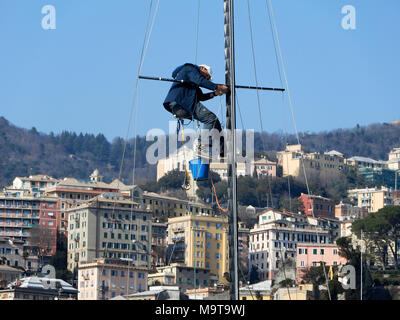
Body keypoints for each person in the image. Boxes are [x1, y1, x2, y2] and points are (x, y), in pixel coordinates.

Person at [163, 63, 229, 158]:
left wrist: (215, 93)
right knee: (210, 119)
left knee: (214, 121)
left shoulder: (190, 80)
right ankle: (201, 145)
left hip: (178, 105)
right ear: (202, 68)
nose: (206, 79)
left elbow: (201, 96)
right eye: (206, 76)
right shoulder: (190, 68)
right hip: (181, 102)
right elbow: (200, 81)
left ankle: (223, 151)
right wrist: (218, 87)